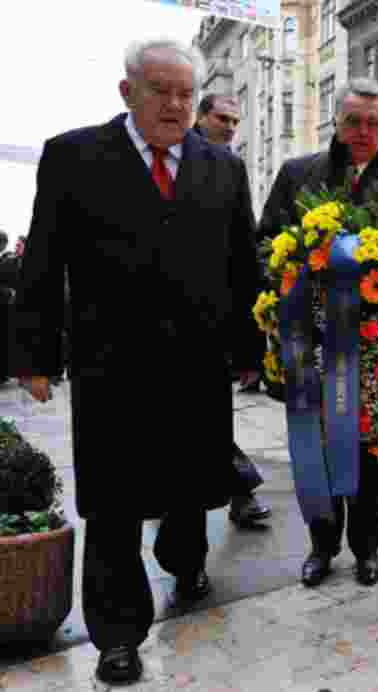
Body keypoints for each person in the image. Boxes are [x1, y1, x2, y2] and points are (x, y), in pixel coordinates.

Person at [12, 39, 264, 685]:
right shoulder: (73, 157)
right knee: (114, 502)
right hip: (111, 366)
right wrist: (35, 355)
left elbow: (242, 265)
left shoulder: (222, 168)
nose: (175, 105)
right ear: (128, 92)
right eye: (161, 90)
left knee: (191, 484)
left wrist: (249, 349)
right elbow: (42, 262)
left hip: (197, 364)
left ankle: (183, 560)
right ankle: (117, 635)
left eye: (185, 92)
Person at [259, 77, 378, 589]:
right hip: (309, 345)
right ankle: (322, 545)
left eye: (373, 123)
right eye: (353, 121)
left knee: (371, 456)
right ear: (335, 123)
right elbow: (264, 244)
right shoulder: (298, 175)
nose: (362, 132)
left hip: (375, 350)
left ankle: (367, 547)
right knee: (313, 448)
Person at [191, 92, 273, 529]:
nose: (229, 127)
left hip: (215, 323)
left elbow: (245, 255)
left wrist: (250, 346)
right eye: (222, 118)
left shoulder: (230, 169)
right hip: (161, 326)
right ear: (201, 117)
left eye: (235, 121)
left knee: (212, 419)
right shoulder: (170, 159)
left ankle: (239, 494)